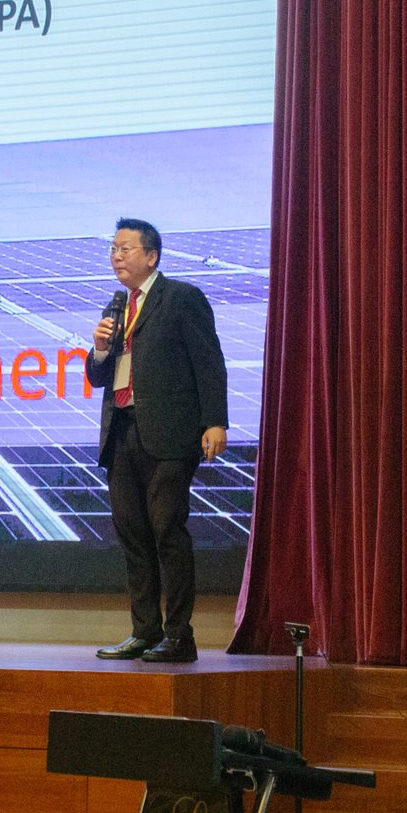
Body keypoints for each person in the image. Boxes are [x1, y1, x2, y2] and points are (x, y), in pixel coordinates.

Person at [88, 218, 228, 663]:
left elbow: (209, 363)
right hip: (121, 432)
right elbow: (97, 377)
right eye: (113, 249)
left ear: (151, 256)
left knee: (167, 529)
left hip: (169, 435)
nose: (116, 256)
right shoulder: (116, 308)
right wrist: (100, 349)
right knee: (132, 534)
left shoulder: (181, 298)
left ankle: (180, 635)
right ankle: (144, 631)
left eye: (125, 248)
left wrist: (215, 422)